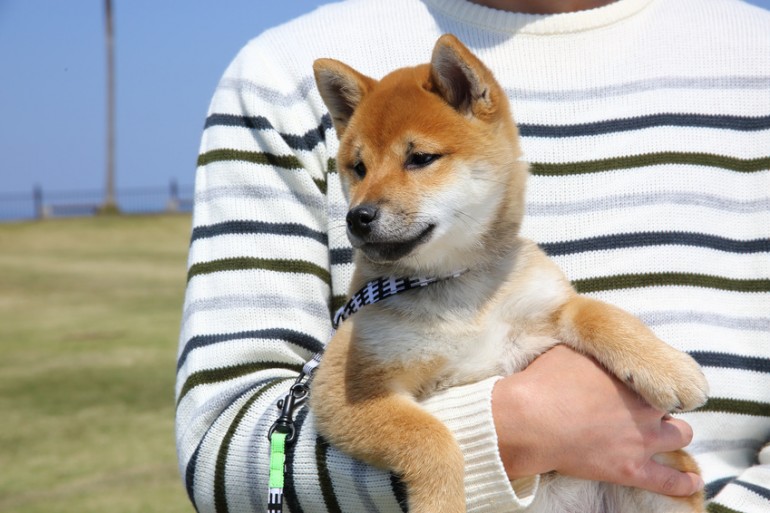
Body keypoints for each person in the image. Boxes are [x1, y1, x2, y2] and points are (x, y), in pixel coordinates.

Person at [175, 0, 770, 511]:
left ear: (470, 94)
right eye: (357, 171)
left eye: (419, 161)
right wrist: (496, 438)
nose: (366, 200)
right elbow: (234, 458)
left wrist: (621, 341)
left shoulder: (754, 57)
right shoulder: (275, 80)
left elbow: (569, 314)